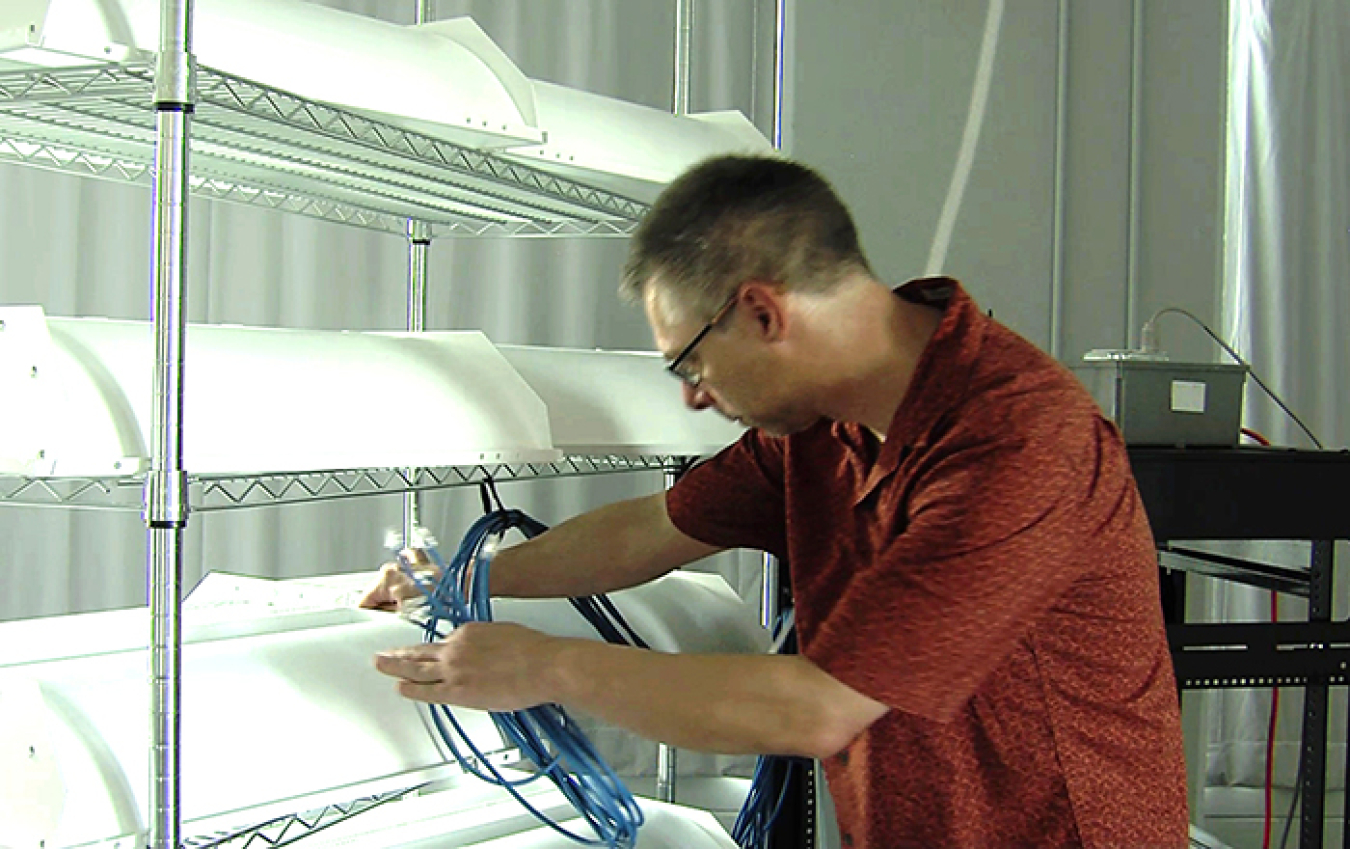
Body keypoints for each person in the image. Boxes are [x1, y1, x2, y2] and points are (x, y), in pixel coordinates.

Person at [366, 155, 1189, 848]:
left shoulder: (1016, 438)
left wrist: (544, 665)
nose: (694, 398)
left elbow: (819, 707)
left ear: (762, 311)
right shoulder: (814, 432)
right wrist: (469, 578)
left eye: (690, 364)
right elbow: (656, 527)